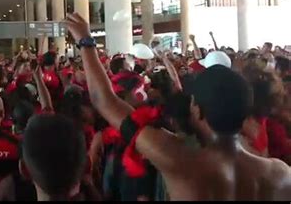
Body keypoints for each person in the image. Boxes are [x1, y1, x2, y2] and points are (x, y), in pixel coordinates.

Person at [64, 12, 291, 201]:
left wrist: (86, 41)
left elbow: (104, 101)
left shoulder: (177, 158)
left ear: (197, 109)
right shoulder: (280, 174)